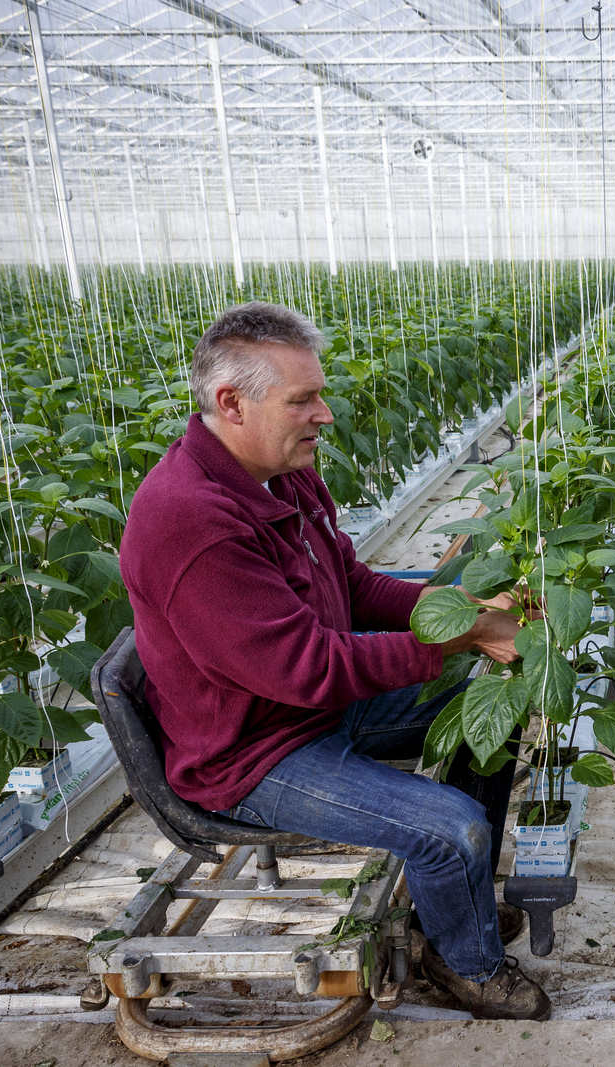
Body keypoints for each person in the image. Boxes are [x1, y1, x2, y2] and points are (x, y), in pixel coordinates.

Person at [120, 301, 550, 1020]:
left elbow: (351, 584)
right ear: (231, 403)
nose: (324, 413)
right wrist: (463, 634)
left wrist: (466, 608)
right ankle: (466, 961)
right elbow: (312, 665)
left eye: (319, 392)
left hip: (307, 709)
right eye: (303, 399)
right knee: (454, 830)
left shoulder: (278, 470)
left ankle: (450, 909)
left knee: (490, 708)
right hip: (254, 752)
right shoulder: (189, 520)